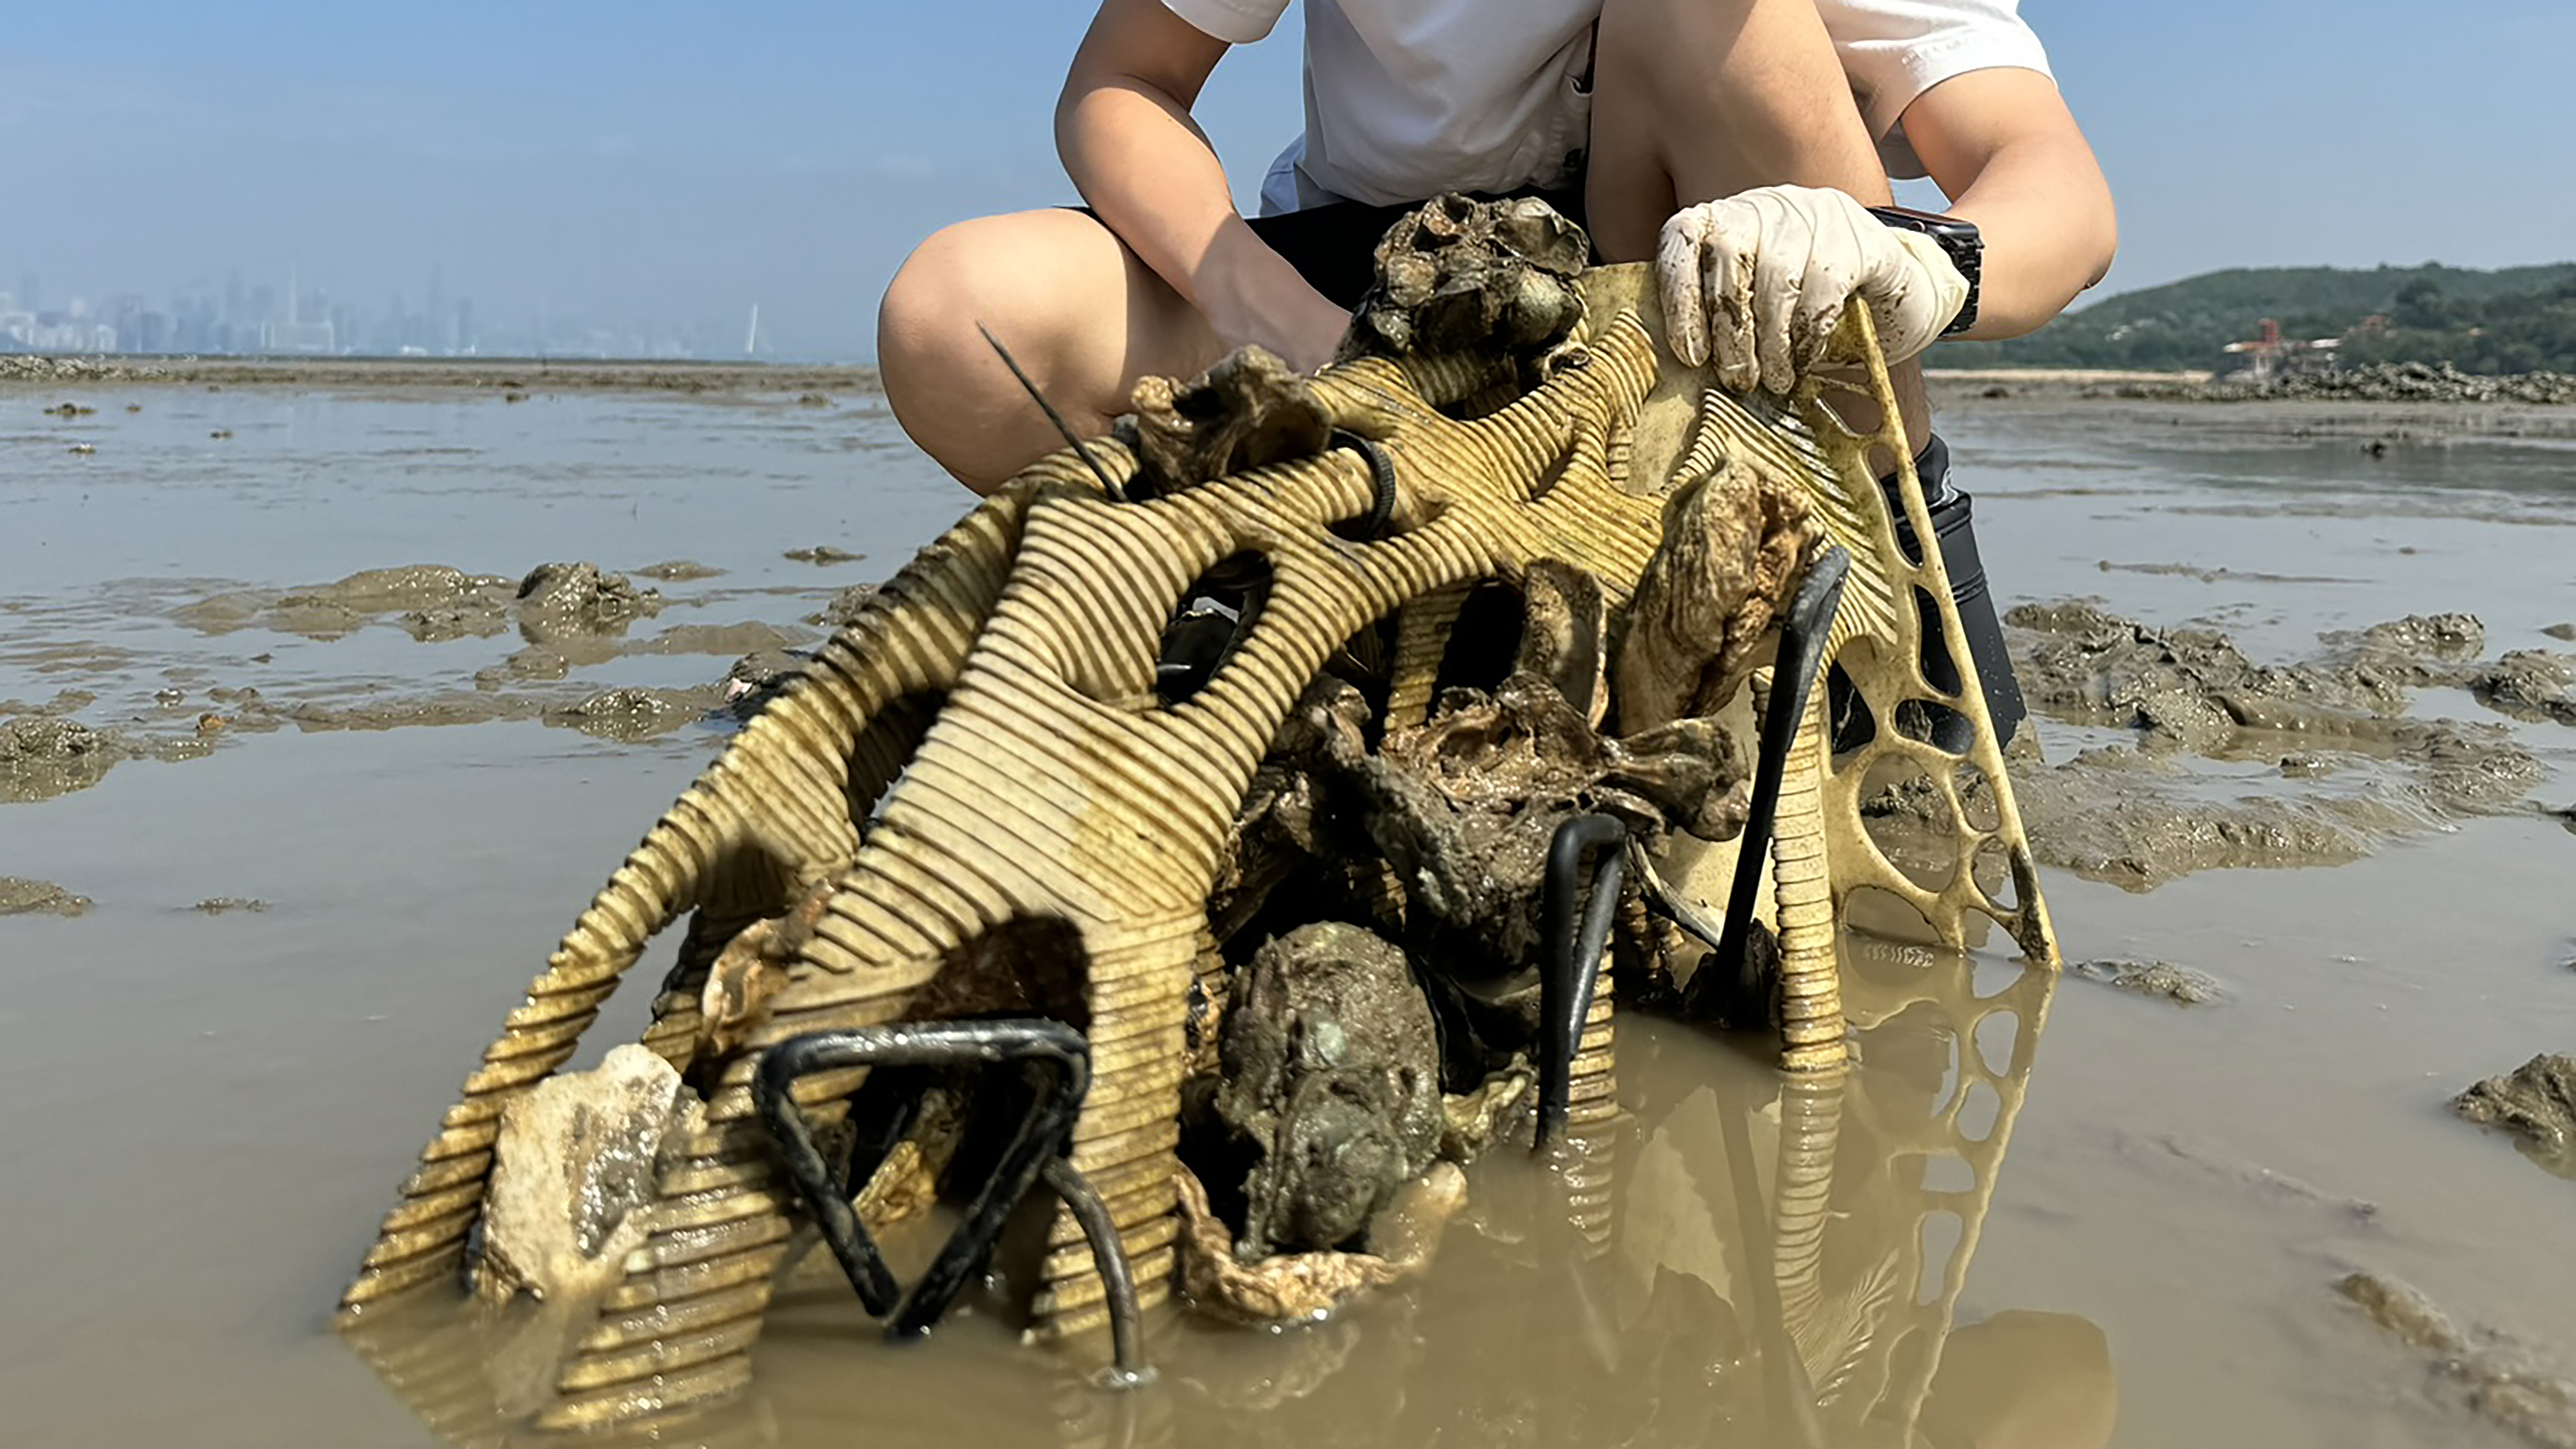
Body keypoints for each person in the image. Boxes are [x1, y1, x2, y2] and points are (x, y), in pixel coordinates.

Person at [876, 0, 2115, 738]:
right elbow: (1123, 81)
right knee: (965, 320)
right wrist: (1289, 325)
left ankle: (1882, 623)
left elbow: (2052, 183)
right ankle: (1341, 628)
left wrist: (1923, 266)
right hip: (1378, 283)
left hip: (1679, 300)